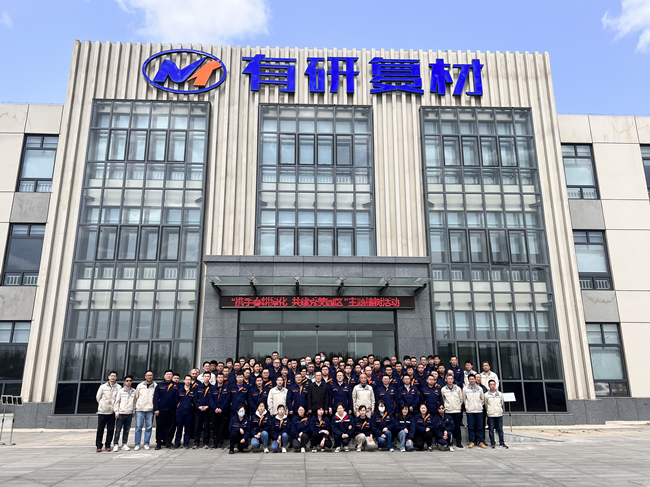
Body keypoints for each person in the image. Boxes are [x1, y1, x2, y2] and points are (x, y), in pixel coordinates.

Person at [95, 371, 120, 452]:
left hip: (112, 412)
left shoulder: (118, 387)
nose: (113, 377)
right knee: (100, 429)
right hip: (102, 411)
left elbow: (118, 399)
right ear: (109, 377)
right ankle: (99, 445)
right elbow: (98, 397)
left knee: (110, 429)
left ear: (116, 378)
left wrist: (115, 409)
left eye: (114, 376)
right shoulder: (102, 386)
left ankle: (108, 445)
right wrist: (102, 405)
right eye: (111, 376)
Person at [153, 369, 178, 450]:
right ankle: (158, 443)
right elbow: (155, 398)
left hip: (172, 410)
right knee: (160, 427)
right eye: (167, 374)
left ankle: (168, 442)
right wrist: (156, 409)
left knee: (170, 427)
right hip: (161, 410)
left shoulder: (176, 386)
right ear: (164, 376)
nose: (169, 376)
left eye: (170, 374)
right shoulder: (159, 385)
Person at [133, 370, 156, 451]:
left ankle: (146, 443)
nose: (149, 377)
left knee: (149, 427)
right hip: (140, 409)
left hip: (150, 409)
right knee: (138, 427)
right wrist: (134, 409)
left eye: (151, 375)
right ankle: (137, 444)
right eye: (148, 375)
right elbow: (135, 397)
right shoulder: (140, 386)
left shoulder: (155, 386)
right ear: (145, 376)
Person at [112, 375, 136, 451]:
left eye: (130, 381)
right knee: (118, 430)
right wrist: (116, 412)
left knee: (126, 430)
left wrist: (133, 411)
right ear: (124, 382)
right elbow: (117, 402)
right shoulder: (121, 391)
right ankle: (116, 444)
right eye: (127, 381)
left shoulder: (134, 391)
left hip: (129, 413)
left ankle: (124, 444)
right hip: (121, 413)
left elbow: (134, 402)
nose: (129, 382)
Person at [440, 374, 463, 448]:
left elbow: (461, 399)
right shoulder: (443, 389)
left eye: (451, 379)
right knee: (448, 427)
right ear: (446, 380)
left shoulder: (458, 388)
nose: (450, 380)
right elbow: (443, 399)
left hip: (457, 410)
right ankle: (449, 442)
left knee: (457, 427)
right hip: (448, 411)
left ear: (453, 379)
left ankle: (458, 442)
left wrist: (458, 406)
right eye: (448, 379)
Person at [463, 374, 487, 448]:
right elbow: (464, 399)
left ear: (475, 380)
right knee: (471, 427)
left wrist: (479, 405)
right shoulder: (465, 389)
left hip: (479, 410)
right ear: (468, 380)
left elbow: (482, 399)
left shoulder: (480, 389)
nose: (472, 380)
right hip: (470, 411)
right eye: (470, 379)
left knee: (480, 427)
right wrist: (467, 406)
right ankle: (472, 441)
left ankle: (481, 441)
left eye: (473, 379)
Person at [485, 380, 508, 449]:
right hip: (491, 414)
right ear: (489, 386)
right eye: (491, 384)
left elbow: (501, 403)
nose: (492, 386)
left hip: (498, 414)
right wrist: (489, 410)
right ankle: (492, 443)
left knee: (500, 429)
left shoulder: (500, 394)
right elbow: (486, 404)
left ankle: (502, 442)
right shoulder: (486, 395)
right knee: (491, 429)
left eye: (494, 384)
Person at [193, 371, 213, 449]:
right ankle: (196, 442)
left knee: (207, 426)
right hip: (198, 410)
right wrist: (198, 406)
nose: (207, 378)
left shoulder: (212, 388)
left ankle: (206, 443)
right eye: (205, 376)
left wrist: (208, 406)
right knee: (197, 426)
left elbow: (212, 399)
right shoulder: (198, 387)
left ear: (210, 378)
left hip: (207, 410)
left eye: (208, 376)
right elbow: (195, 398)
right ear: (203, 377)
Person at [209, 372, 230, 449]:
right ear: (216, 379)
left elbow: (227, 399)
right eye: (219, 377)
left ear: (224, 379)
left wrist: (221, 408)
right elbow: (210, 399)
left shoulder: (227, 388)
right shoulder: (213, 388)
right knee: (215, 427)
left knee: (222, 427)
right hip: (214, 411)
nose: (220, 379)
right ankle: (215, 443)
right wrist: (215, 408)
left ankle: (221, 442)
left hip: (223, 411)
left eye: (222, 377)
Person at [174, 375, 195, 449]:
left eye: (189, 380)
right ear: (184, 380)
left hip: (189, 412)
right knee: (179, 429)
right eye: (187, 380)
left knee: (187, 429)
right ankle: (177, 443)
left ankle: (186, 443)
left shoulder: (193, 391)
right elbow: (176, 400)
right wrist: (178, 406)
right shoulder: (179, 390)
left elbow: (194, 401)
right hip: (180, 412)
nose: (188, 381)